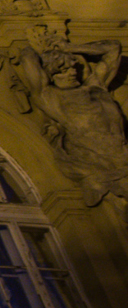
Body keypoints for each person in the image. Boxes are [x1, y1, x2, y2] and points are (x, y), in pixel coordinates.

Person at [19, 40, 128, 205]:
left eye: (72, 68)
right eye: (63, 70)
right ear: (50, 75)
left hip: (122, 153)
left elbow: (113, 48)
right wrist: (37, 45)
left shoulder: (95, 87)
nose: (72, 73)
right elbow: (27, 56)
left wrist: (70, 47)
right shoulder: (50, 97)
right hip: (102, 164)